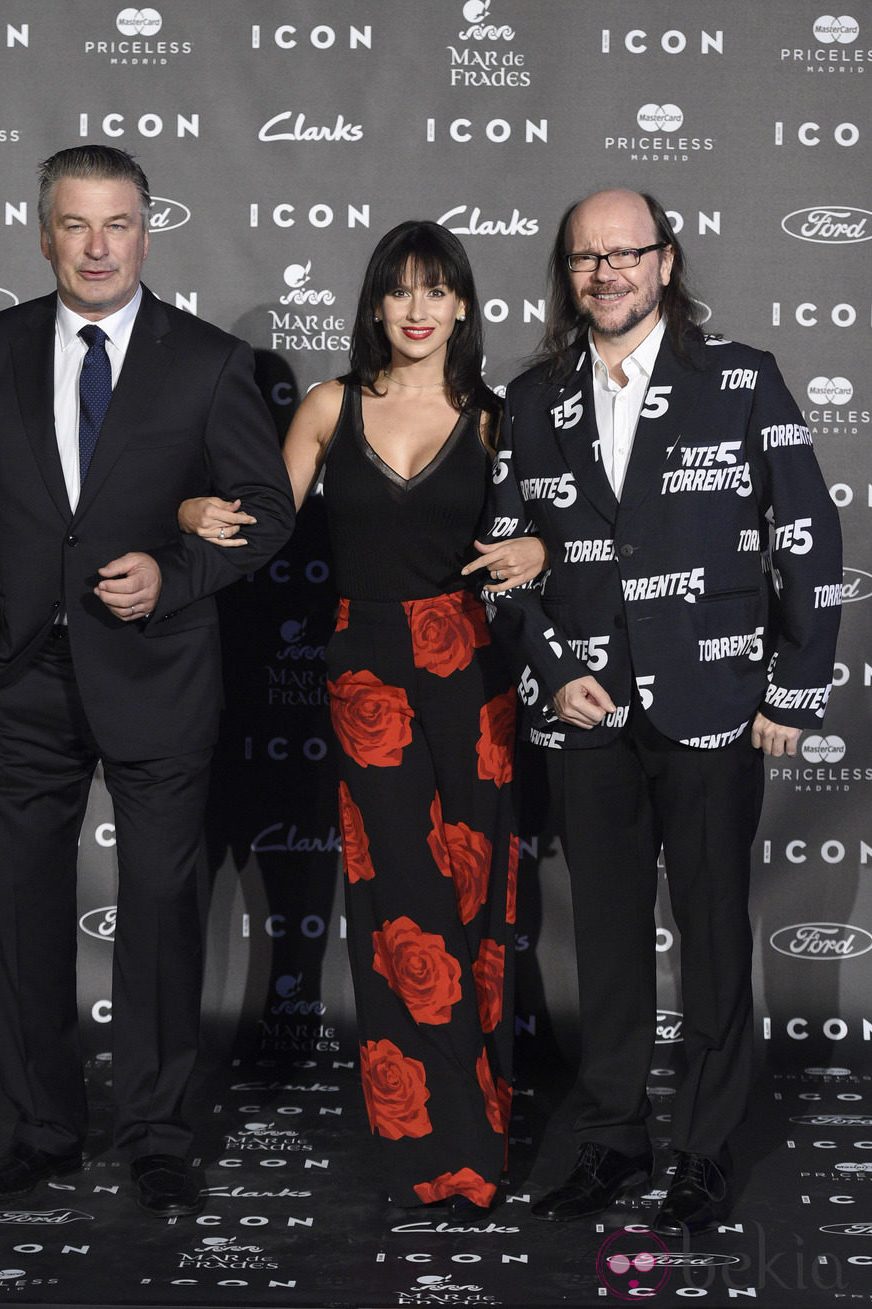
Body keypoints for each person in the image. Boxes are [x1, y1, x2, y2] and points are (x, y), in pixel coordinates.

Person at [0, 145, 295, 1217]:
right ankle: (41, 1126)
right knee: (23, 906)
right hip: (17, 676)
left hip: (158, 672)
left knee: (163, 906)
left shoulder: (208, 361)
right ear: (45, 235)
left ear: (145, 234)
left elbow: (268, 512)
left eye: (116, 223)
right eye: (74, 225)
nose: (95, 246)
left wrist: (175, 574)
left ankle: (157, 1133)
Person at [480, 188, 842, 1236]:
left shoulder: (740, 379)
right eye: (585, 258)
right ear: (567, 273)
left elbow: (809, 533)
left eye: (625, 253)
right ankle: (610, 1138)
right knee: (604, 938)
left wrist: (792, 684)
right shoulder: (532, 397)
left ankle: (705, 1148)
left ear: (665, 261)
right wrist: (553, 671)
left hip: (714, 702)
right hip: (585, 709)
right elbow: (502, 563)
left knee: (714, 932)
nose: (606, 273)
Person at [180, 221, 545, 1216]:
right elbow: (260, 526)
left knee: (472, 899)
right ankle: (427, 1142)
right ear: (375, 304)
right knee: (400, 905)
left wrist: (544, 553)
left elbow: (559, 529)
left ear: (463, 306)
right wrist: (184, 516)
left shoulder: (496, 420)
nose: (418, 309)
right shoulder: (330, 407)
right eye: (400, 290)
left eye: (437, 290)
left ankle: (476, 1134)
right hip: (369, 678)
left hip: (471, 674)